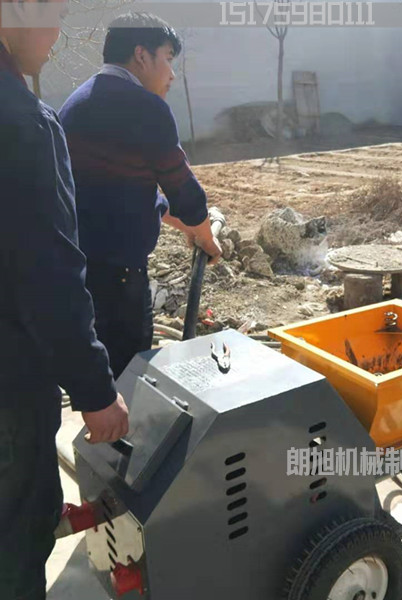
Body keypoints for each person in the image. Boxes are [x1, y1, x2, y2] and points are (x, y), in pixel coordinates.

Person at [0, 1, 130, 598]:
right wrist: (95, 391)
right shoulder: (22, 121)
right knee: (15, 541)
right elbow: (47, 274)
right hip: (11, 381)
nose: (59, 32)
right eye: (54, 11)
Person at [59, 12, 222, 379]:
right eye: (168, 58)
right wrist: (205, 235)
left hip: (78, 272)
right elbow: (183, 190)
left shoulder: (76, 104)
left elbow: (126, 191)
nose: (172, 74)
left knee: (95, 375)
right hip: (121, 279)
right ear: (141, 55)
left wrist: (186, 227)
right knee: (130, 376)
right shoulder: (147, 108)